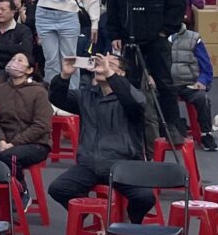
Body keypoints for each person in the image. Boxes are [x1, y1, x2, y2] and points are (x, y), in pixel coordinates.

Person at [102, 0, 187, 143]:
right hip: (129, 38)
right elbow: (113, 6)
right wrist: (115, 34)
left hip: (157, 38)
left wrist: (165, 31)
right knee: (130, 84)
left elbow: (178, 5)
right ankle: (132, 130)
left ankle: (172, 126)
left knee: (164, 82)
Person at [45, 52, 155, 223]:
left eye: (110, 64)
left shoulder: (133, 95)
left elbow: (133, 103)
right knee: (58, 188)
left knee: (145, 197)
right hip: (89, 164)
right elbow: (57, 99)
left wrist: (109, 74)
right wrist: (64, 76)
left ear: (121, 73)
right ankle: (88, 213)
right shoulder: (86, 95)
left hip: (123, 163)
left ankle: (131, 220)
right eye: (100, 63)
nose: (102, 67)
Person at [0, 54, 52, 200]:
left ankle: (20, 192)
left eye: (20, 60)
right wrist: (1, 141)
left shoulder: (39, 92)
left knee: (10, 156)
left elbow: (41, 126)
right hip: (5, 140)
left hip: (36, 143)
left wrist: (13, 143)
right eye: (13, 59)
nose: (15, 63)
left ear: (29, 70)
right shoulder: (0, 90)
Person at [165, 18, 217, 149]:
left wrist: (202, 81)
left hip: (188, 84)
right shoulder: (156, 37)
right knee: (151, 98)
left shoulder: (194, 38)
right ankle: (171, 128)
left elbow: (206, 66)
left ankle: (206, 134)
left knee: (201, 98)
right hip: (165, 84)